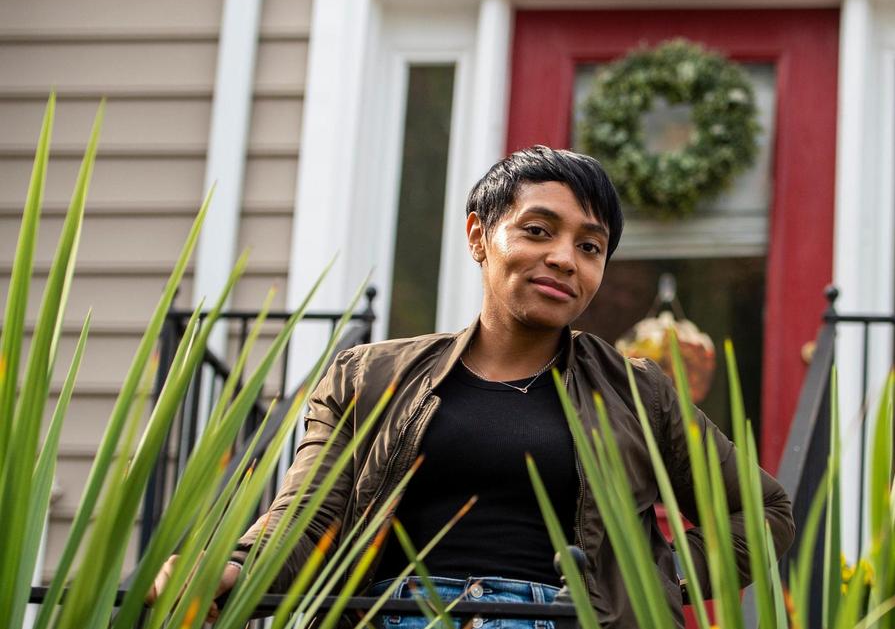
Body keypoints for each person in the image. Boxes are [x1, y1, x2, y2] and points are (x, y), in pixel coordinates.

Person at [151, 146, 794, 628]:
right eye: (539, 231)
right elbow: (311, 513)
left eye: (590, 246)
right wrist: (229, 565)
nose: (566, 258)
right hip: (403, 614)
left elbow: (765, 513)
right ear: (478, 235)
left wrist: (655, 577)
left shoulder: (637, 394)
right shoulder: (369, 377)